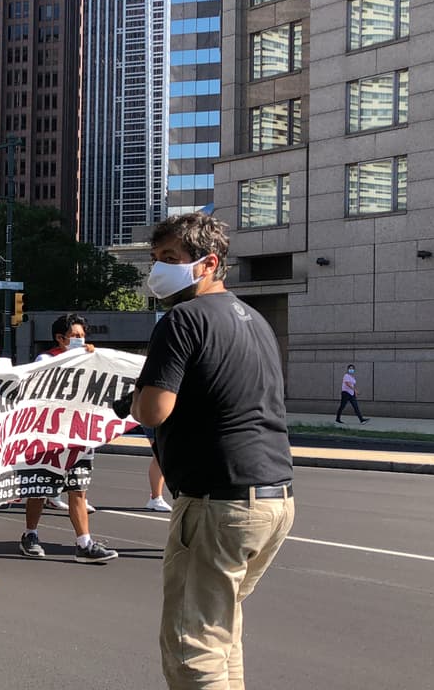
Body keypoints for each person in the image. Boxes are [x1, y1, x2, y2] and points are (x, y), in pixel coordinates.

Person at [129, 212, 295, 690]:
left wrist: (136, 396)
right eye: (156, 259)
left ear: (209, 263)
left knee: (192, 647)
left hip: (216, 502)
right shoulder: (254, 320)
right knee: (222, 627)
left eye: (171, 259)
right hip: (274, 498)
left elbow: (154, 410)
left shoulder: (182, 319)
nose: (159, 269)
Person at [19, 314, 118, 562]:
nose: (80, 340)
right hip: (50, 437)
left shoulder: (89, 358)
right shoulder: (45, 359)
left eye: (82, 335)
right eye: (75, 336)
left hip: (79, 436)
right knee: (40, 487)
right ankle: (30, 534)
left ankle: (84, 543)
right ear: (59, 338)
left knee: (78, 489)